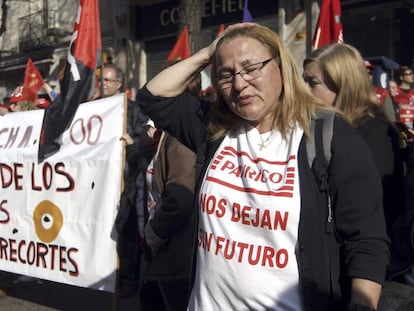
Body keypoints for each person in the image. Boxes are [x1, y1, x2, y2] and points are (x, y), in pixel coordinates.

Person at [137, 23, 389, 311]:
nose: (240, 84)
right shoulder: (216, 130)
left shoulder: (328, 136)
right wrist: (210, 51)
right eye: (226, 74)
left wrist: (362, 302)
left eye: (251, 68)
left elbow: (366, 237)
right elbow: (153, 96)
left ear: (281, 65)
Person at [303, 43, 405, 240]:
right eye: (303, 81)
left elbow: (379, 211)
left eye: (312, 83)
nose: (304, 92)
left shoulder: (377, 134)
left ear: (342, 84)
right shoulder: (315, 130)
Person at [141, 62, 200, 311]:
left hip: (178, 253)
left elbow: (181, 196)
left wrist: (154, 231)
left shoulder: (179, 137)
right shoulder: (167, 132)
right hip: (172, 252)